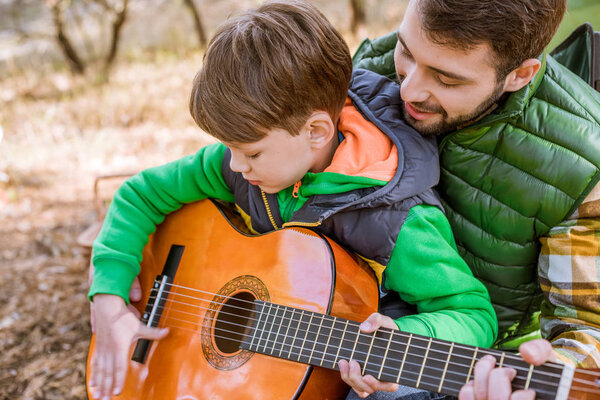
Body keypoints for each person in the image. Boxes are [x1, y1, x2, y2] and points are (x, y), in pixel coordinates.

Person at [87, 1, 498, 399]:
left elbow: (474, 316)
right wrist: (108, 299)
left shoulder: (398, 221)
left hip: (341, 368)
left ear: (317, 131)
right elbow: (139, 194)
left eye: (251, 152)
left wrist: (407, 338)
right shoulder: (246, 163)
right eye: (229, 148)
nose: (234, 166)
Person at [347, 0, 600, 398]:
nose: (408, 88)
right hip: (337, 305)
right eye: (407, 51)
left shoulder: (585, 169)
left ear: (519, 75)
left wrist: (553, 370)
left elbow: (587, 330)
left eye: (447, 80)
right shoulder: (368, 67)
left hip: (467, 360)